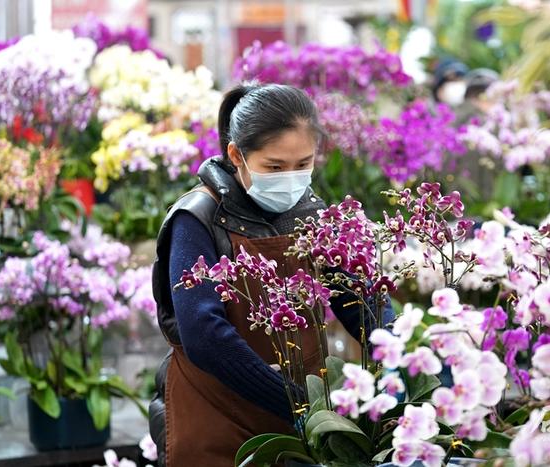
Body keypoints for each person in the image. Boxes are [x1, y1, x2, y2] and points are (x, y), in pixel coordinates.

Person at [149, 83, 392, 466]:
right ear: (237, 155)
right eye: (274, 167)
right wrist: (296, 403)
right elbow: (203, 335)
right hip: (217, 414)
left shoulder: (311, 213)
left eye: (303, 165)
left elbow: (358, 296)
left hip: (303, 421)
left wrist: (398, 355)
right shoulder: (197, 219)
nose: (290, 179)